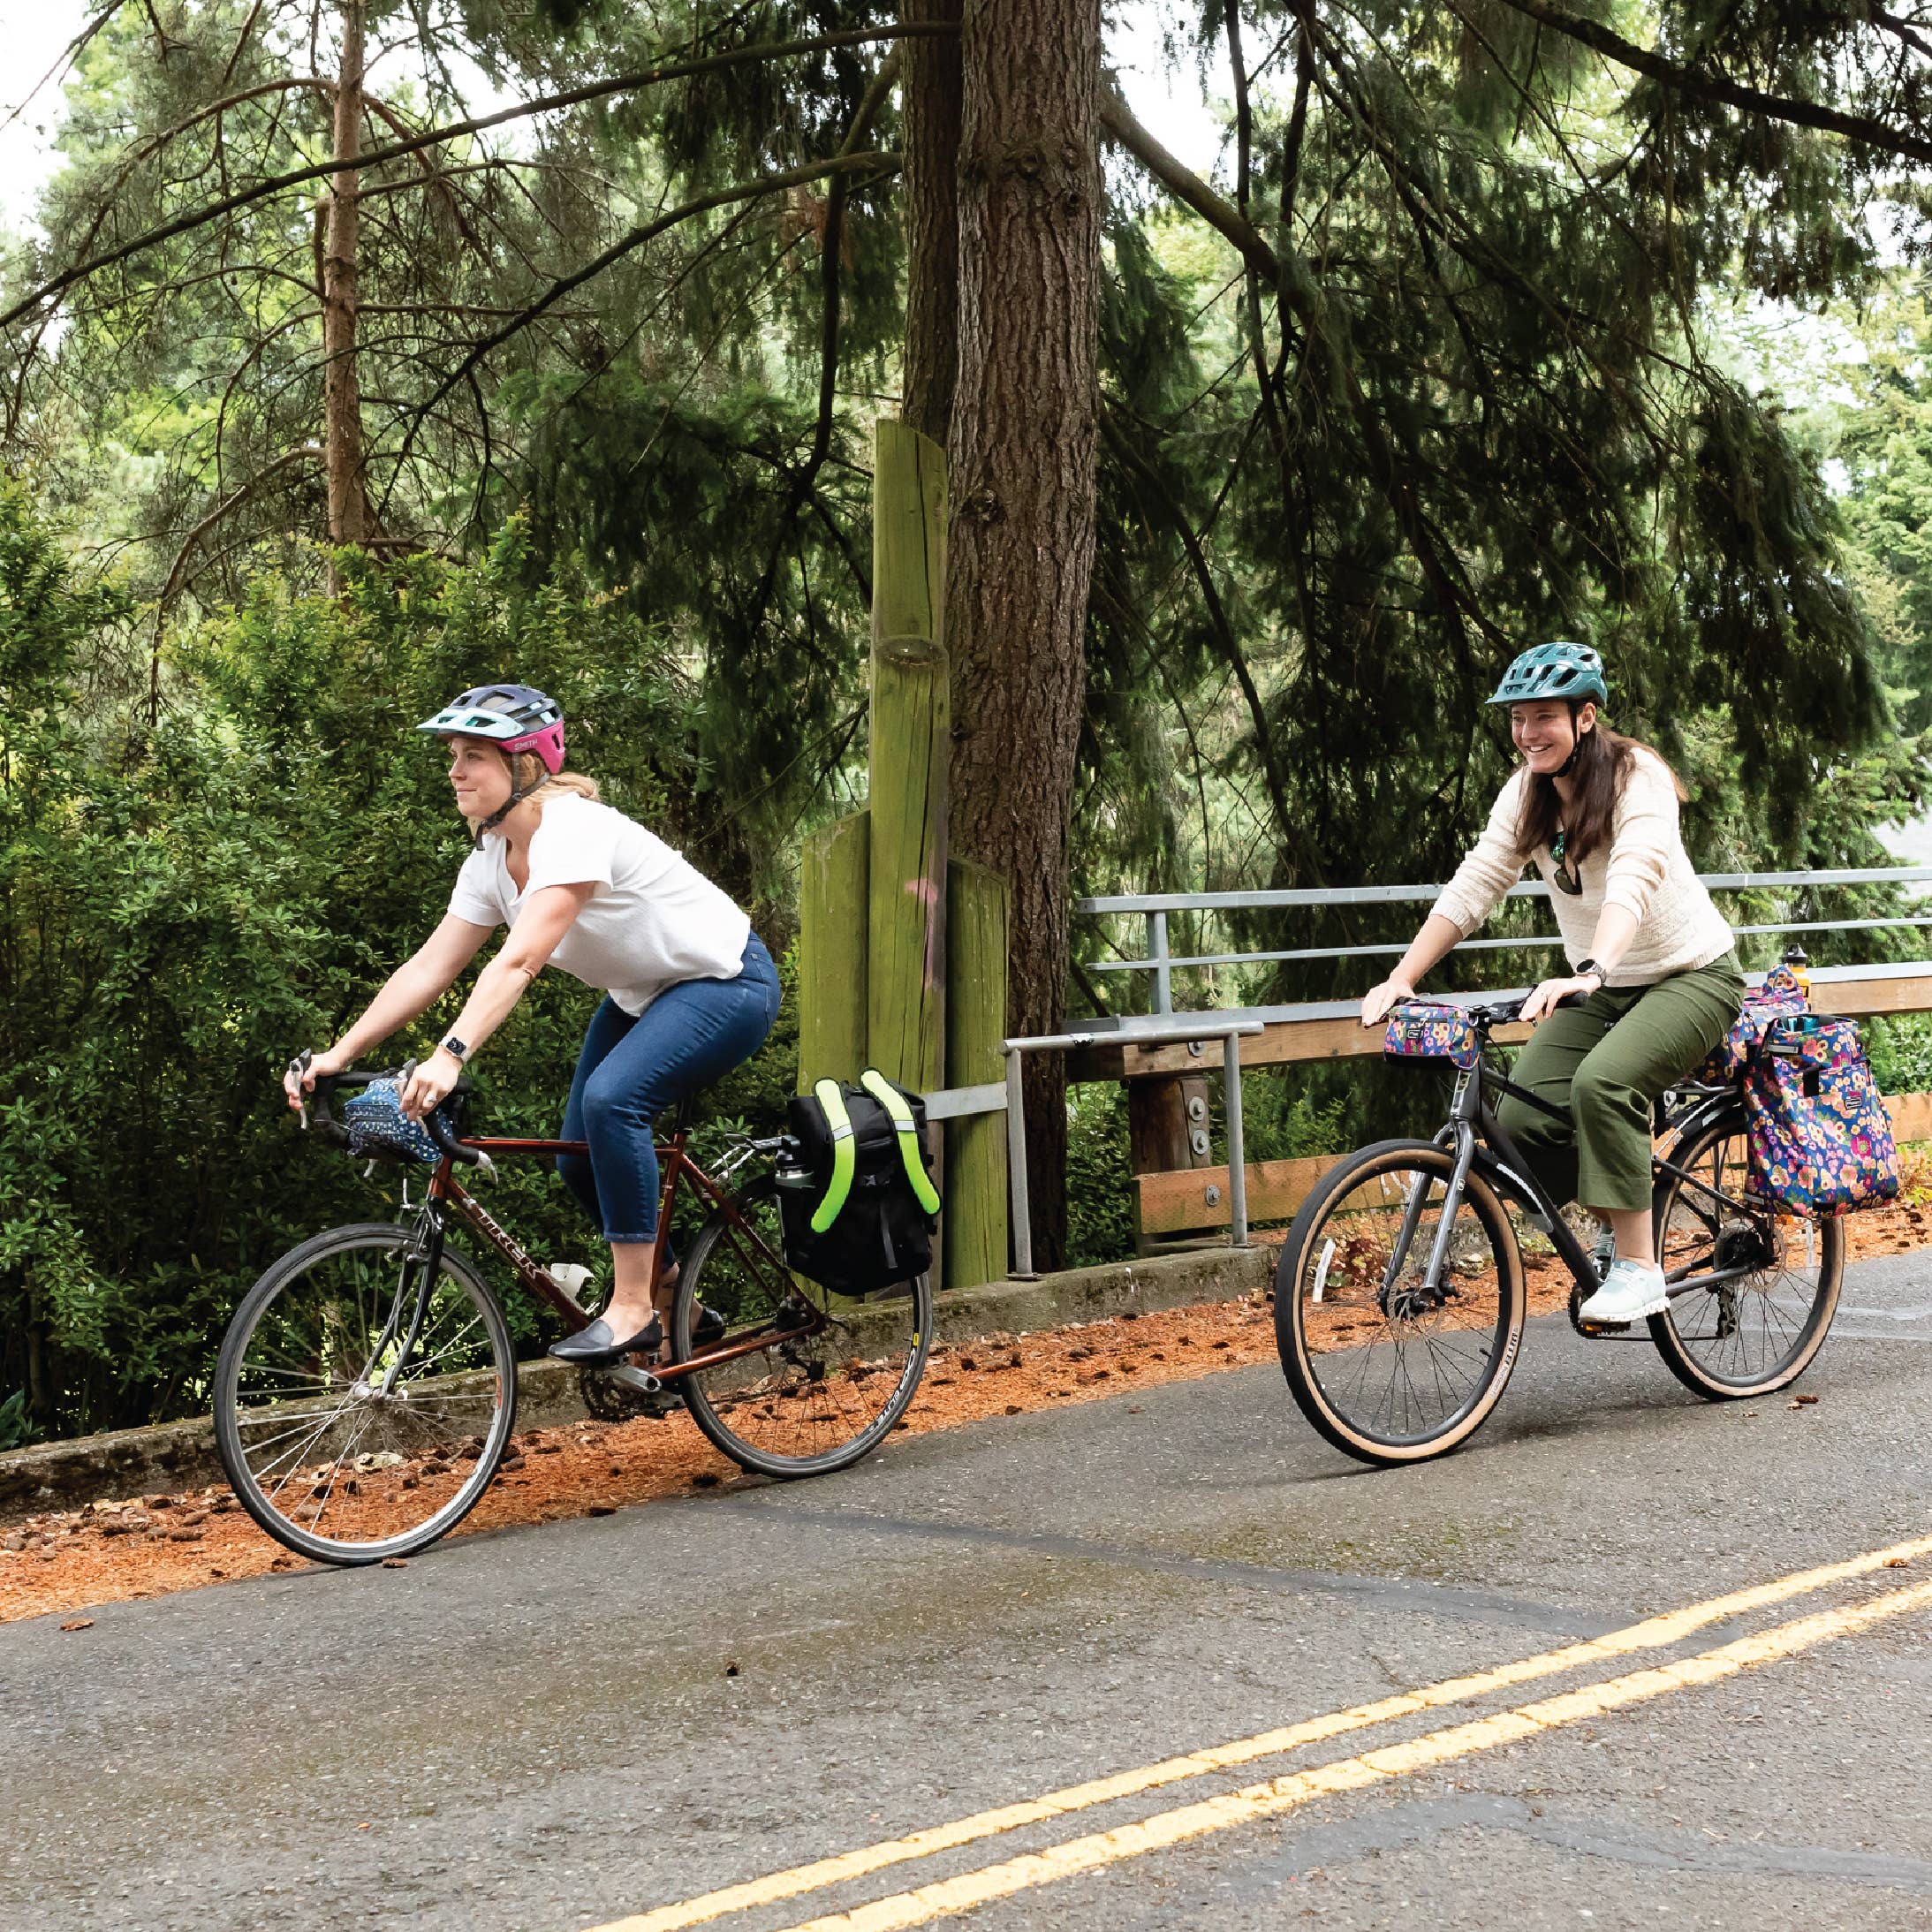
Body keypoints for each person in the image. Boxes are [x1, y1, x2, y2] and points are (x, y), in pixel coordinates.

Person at [282, 683, 780, 1362]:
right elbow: (430, 968)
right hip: (641, 996)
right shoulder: (490, 861)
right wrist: (339, 1053)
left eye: (475, 755)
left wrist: (451, 1052)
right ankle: (674, 1298)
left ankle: (632, 1308)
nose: (455, 770)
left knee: (614, 1103)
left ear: (525, 765)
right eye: (453, 755)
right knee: (578, 1164)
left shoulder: (575, 829)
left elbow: (519, 962)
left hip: (725, 981)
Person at [1360, 642, 1745, 1326]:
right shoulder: (1526, 791)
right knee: (1521, 1122)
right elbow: (1476, 882)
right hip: (1605, 984)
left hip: (1692, 975)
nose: (1527, 732)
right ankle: (1622, 1204)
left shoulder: (1636, 776)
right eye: (1517, 718)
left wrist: (1591, 969)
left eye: (1544, 716)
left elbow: (1635, 873)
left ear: (1585, 717)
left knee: (1603, 1083)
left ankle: (1638, 1268)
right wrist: (1400, 976)